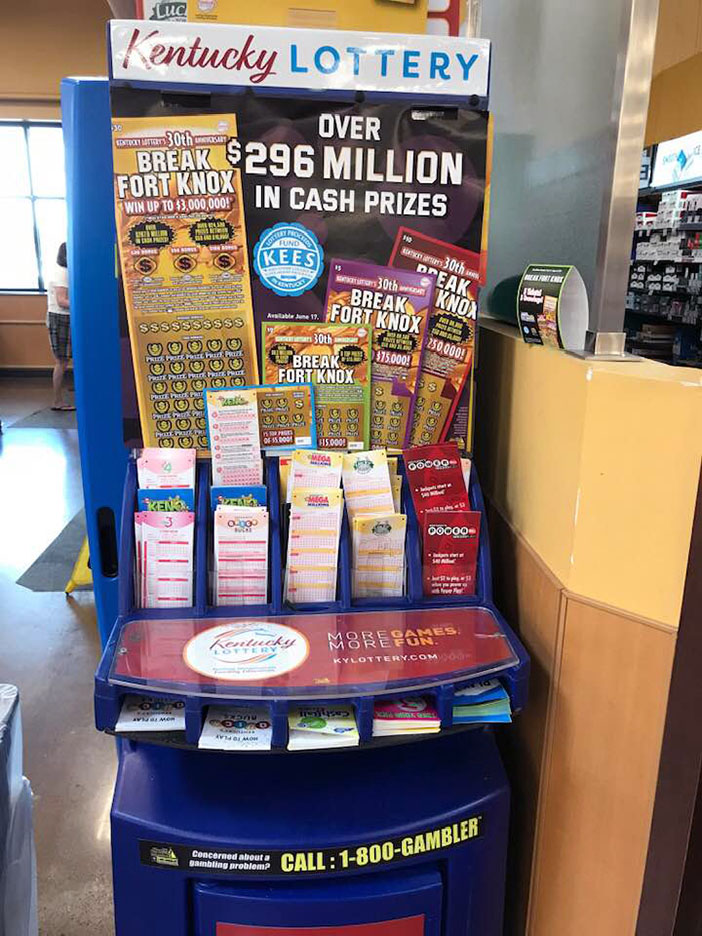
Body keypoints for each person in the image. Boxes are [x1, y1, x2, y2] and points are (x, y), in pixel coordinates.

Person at [46, 242, 74, 411]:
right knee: (62, 361)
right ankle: (57, 401)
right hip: (60, 318)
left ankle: (60, 399)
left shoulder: (67, 271)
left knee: (65, 360)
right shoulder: (62, 272)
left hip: (65, 317)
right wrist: (84, 303)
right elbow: (62, 301)